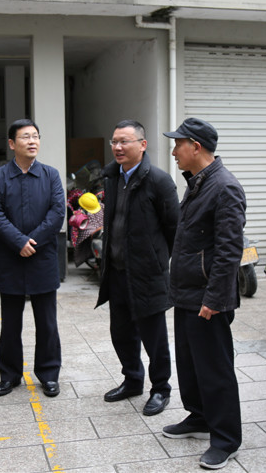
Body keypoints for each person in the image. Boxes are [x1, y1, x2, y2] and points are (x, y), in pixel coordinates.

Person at [160, 118, 246, 470]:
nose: (173, 151)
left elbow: (229, 251)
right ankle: (199, 417)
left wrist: (214, 298)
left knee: (215, 369)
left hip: (207, 298)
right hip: (186, 293)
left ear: (196, 147)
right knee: (190, 364)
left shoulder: (224, 187)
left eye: (178, 144)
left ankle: (226, 438)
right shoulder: (197, 183)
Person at [95, 120, 179, 417]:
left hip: (147, 275)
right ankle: (132, 380)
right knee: (121, 333)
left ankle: (161, 389)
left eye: (124, 141)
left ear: (143, 145)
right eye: (114, 142)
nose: (117, 147)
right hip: (117, 272)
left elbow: (174, 229)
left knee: (154, 337)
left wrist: (156, 262)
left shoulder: (159, 181)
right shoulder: (111, 177)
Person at [0, 119, 65, 398]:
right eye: (25, 137)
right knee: (10, 324)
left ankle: (49, 374)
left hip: (43, 258)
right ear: (11, 144)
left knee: (47, 323)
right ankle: (9, 375)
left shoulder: (50, 175)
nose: (32, 141)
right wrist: (19, 242)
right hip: (11, 259)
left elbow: (57, 213)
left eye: (35, 136)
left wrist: (33, 242)